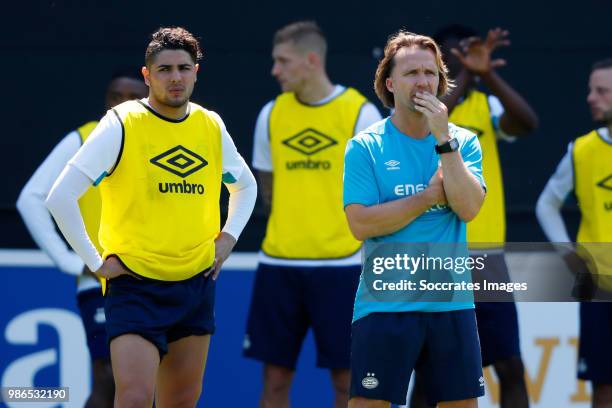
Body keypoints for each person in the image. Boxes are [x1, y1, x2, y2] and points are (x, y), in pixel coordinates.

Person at [45, 26, 257, 407]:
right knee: (135, 398)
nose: (175, 77)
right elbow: (60, 198)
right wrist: (95, 262)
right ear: (147, 75)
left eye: (183, 68)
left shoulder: (210, 125)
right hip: (135, 285)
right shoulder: (122, 123)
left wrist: (228, 238)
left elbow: (246, 186)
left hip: (195, 283)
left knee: (181, 402)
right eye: (164, 69)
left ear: (196, 72)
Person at [343, 30, 486, 408]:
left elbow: (469, 208)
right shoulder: (366, 146)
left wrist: (444, 141)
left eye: (431, 73)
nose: (423, 82)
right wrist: (426, 197)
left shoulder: (463, 142)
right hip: (385, 306)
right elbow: (361, 224)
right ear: (390, 83)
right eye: (411, 74)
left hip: (451, 303)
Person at [243, 21, 381, 408]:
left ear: (310, 60)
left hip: (343, 265)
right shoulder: (270, 113)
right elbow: (266, 188)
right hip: (279, 263)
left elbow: (372, 195)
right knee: (274, 380)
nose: (275, 70)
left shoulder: (360, 113)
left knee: (346, 380)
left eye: (282, 61)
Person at [410, 24, 539, 408]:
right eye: (449, 57)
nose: (457, 61)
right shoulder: (417, 113)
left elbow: (527, 122)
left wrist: (488, 74)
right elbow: (439, 112)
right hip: (438, 256)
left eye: (465, 54)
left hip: (486, 258)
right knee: (431, 372)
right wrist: (468, 74)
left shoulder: (486, 105)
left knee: (509, 366)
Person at [16, 68, 147, 407]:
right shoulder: (84, 139)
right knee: (108, 376)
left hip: (155, 282)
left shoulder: (161, 142)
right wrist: (72, 261)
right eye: (116, 98)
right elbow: (31, 198)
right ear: (106, 101)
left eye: (133, 98)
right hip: (101, 284)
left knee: (148, 384)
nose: (123, 105)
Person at [536, 58, 612, 408]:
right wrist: (570, 254)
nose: (591, 98)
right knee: (603, 387)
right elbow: (546, 205)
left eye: (601, 91)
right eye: (590, 90)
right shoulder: (581, 150)